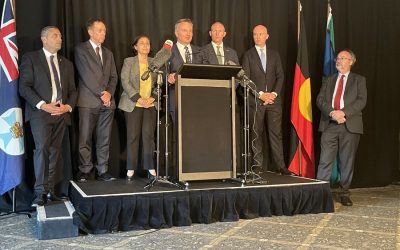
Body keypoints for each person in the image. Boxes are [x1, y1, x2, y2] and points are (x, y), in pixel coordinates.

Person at [19, 26, 77, 206]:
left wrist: (67, 106)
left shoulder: (66, 63)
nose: (60, 38)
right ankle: (39, 194)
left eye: (60, 35)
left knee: (55, 153)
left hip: (60, 114)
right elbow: (24, 87)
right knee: (42, 150)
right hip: (41, 114)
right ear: (44, 39)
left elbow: (73, 91)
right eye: (55, 35)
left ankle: (51, 191)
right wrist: (43, 105)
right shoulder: (31, 58)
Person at [316, 49, 367, 206]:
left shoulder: (359, 80)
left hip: (349, 126)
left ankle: (344, 193)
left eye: (343, 58)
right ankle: (320, 194)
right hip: (329, 125)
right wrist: (332, 113)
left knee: (347, 161)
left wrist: (343, 113)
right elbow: (320, 99)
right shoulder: (329, 79)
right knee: (325, 160)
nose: (339, 61)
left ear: (351, 61)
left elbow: (361, 101)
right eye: (338, 58)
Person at [242, 24, 291, 175]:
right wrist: (261, 94)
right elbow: (245, 79)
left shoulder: (275, 55)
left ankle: (280, 166)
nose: (258, 37)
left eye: (261, 34)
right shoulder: (248, 55)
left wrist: (274, 95)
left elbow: (280, 76)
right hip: (256, 101)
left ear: (267, 36)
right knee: (256, 132)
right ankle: (257, 165)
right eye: (255, 34)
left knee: (275, 133)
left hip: (274, 102)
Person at [74, 18, 118, 182]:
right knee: (85, 138)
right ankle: (85, 170)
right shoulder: (81, 49)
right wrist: (102, 93)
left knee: (104, 139)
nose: (103, 33)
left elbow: (114, 77)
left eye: (104, 31)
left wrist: (109, 94)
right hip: (88, 101)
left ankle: (102, 170)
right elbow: (86, 75)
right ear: (90, 32)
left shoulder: (109, 53)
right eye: (100, 30)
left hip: (107, 103)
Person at [118, 35, 157, 181]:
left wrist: (152, 97)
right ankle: (130, 168)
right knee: (133, 137)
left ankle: (150, 166)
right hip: (133, 104)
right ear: (135, 47)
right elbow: (125, 81)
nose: (145, 46)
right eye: (141, 43)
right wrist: (139, 98)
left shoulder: (154, 63)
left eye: (147, 43)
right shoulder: (129, 61)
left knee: (149, 136)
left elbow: (160, 81)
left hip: (150, 104)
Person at [167, 18, 203, 121]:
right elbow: (162, 73)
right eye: (184, 30)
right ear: (176, 33)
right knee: (181, 135)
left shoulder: (199, 51)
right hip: (177, 101)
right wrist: (168, 77)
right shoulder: (168, 52)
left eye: (190, 31)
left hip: (198, 101)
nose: (188, 34)